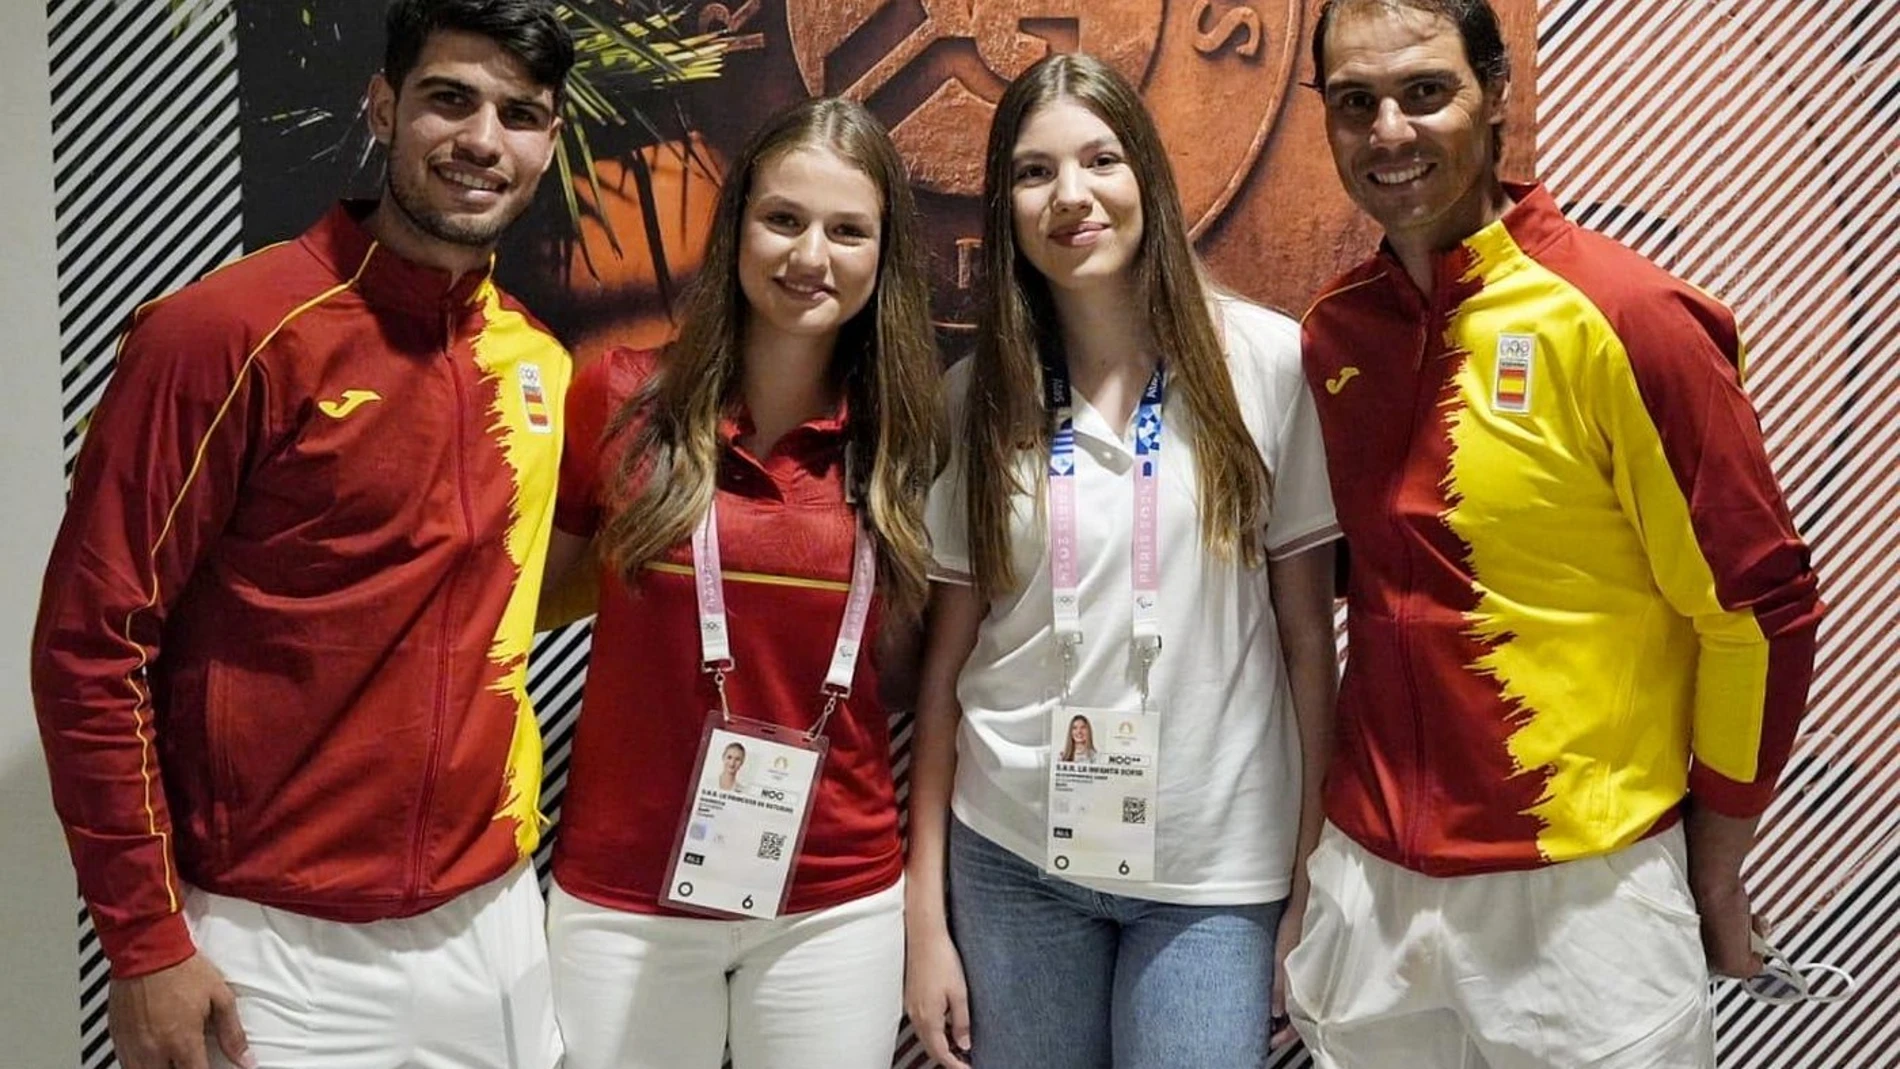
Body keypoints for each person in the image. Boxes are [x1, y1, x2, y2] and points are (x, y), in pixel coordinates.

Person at [28, 3, 576, 1068]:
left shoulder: (536, 362)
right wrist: (143, 944)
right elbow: (91, 645)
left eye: (520, 115)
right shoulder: (221, 334)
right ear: (382, 106)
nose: (481, 140)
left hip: (495, 927)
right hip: (271, 945)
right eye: (449, 99)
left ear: (547, 145)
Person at [1285, 1, 1826, 1065]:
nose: (1387, 130)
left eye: (1425, 92)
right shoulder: (1330, 330)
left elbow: (1756, 612)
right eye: (1355, 103)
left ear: (1495, 94)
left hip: (1584, 899)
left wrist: (1713, 870)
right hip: (1368, 885)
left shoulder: (1628, 316)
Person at [903, 52, 1342, 1069]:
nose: (1071, 196)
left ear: (1146, 172)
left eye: (1099, 159)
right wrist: (925, 918)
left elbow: (1308, 648)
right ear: (1005, 206)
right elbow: (943, 676)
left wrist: (1309, 882)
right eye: (1033, 171)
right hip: (1011, 854)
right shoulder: (976, 399)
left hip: (1214, 871)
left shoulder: (1269, 366)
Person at [538, 96, 940, 1069]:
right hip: (626, 895)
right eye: (784, 219)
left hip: (831, 900)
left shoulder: (912, 443)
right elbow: (522, 612)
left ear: (884, 256)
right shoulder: (621, 397)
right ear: (738, 229)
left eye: (848, 231)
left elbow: (920, 670)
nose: (812, 255)